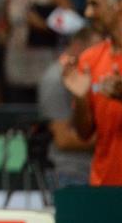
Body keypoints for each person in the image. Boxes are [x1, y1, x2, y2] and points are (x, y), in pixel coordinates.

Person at [62, 0, 122, 186]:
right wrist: (80, 99)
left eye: (95, 5)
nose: (87, 13)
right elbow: (84, 133)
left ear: (119, 5)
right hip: (103, 183)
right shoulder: (90, 59)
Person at [2, 0, 72, 102]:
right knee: (19, 101)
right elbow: (6, 24)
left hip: (45, 55)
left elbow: (70, 19)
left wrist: (43, 24)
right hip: (18, 55)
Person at [38, 27, 99, 187]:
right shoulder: (55, 79)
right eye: (97, 50)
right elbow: (63, 139)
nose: (101, 57)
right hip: (71, 173)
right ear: (78, 46)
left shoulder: (94, 74)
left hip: (96, 170)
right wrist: (108, 139)